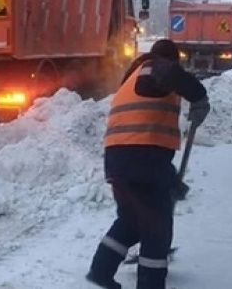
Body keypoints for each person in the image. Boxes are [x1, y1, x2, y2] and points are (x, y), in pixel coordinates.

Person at [86, 39, 210, 289]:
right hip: (143, 159)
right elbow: (171, 73)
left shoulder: (132, 79)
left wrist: (171, 180)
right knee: (157, 228)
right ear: (170, 59)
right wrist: (199, 97)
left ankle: (101, 271)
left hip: (118, 161)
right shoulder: (155, 68)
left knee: (131, 220)